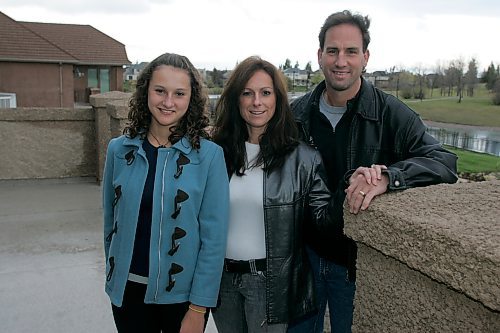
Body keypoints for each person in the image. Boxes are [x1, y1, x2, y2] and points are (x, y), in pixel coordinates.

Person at [287, 10, 458, 333]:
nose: (341, 61)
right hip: (303, 260)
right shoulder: (297, 114)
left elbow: (443, 161)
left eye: (351, 51)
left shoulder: (390, 113)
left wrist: (389, 178)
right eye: (333, 51)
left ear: (365, 57)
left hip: (354, 266)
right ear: (319, 56)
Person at [210, 56, 343, 333]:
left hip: (269, 285)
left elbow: (325, 222)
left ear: (277, 100)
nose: (257, 102)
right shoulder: (216, 152)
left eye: (265, 93)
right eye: (247, 93)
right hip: (221, 282)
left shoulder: (303, 159)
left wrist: (352, 184)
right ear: (237, 99)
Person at [102, 52, 229, 333]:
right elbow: (110, 223)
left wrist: (199, 307)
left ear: (191, 99)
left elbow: (214, 240)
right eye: (160, 90)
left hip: (183, 300)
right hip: (127, 293)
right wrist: (113, 277)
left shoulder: (209, 157)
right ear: (146, 90)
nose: (168, 102)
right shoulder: (118, 150)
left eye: (179, 93)